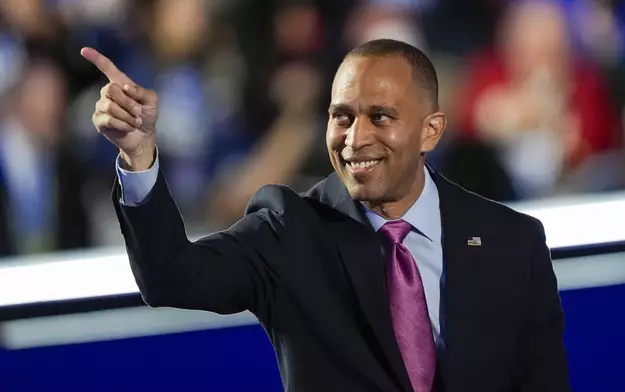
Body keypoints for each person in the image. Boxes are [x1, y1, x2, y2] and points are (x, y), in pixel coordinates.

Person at [82, 39, 570, 392]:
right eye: (342, 116)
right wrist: (139, 156)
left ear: (430, 131)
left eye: (380, 116)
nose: (355, 139)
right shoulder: (289, 230)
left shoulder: (511, 241)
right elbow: (172, 278)